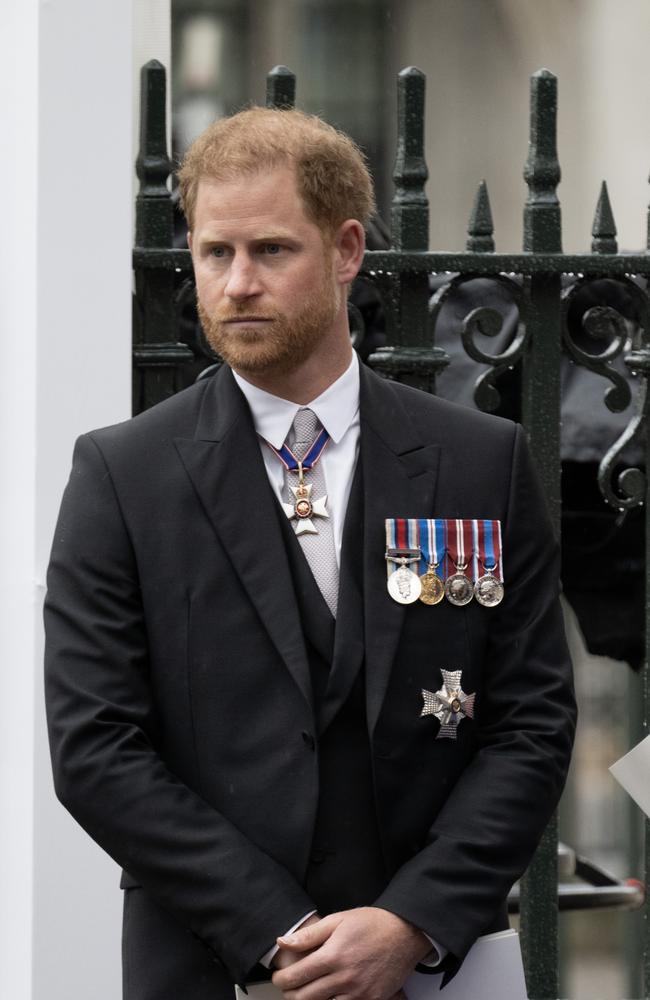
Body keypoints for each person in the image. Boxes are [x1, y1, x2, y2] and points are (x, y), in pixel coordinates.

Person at [44, 107, 576, 1000]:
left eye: (271, 251)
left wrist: (412, 923)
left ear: (347, 250)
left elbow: (532, 723)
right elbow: (94, 745)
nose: (237, 283)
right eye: (215, 253)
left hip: (446, 964)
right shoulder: (121, 474)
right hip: (210, 966)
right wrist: (278, 932)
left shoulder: (480, 461)